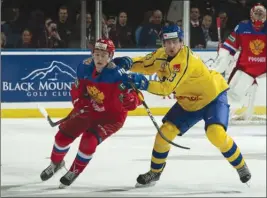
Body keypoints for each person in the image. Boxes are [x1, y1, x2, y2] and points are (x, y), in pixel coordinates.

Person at [116, 23, 251, 187]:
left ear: (181, 42)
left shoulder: (185, 61)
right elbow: (146, 63)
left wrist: (143, 83)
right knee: (164, 133)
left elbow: (166, 89)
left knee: (215, 133)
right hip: (188, 101)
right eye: (168, 42)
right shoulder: (161, 54)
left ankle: (240, 165)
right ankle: (155, 172)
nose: (171, 46)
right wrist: (129, 62)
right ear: (163, 43)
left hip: (212, 97)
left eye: (175, 42)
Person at [40, 38, 142, 188]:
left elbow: (137, 97)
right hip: (89, 109)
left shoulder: (118, 75)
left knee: (88, 140)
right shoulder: (84, 67)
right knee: (62, 137)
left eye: (103, 55)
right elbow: (76, 90)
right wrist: (79, 103)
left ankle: (75, 170)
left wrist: (131, 101)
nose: (99, 59)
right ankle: (56, 163)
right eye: (96, 54)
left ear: (111, 56)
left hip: (111, 117)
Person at [211, 3, 266, 120]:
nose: (259, 16)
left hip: (260, 68)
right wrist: (222, 57)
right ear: (251, 14)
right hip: (246, 68)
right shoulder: (242, 27)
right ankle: (224, 115)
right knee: (233, 94)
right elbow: (228, 47)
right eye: (257, 13)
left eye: (261, 13)